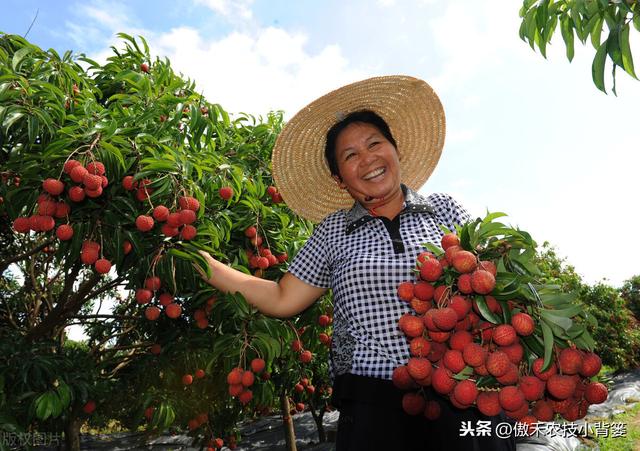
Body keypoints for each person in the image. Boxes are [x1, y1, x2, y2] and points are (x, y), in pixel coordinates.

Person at [196, 76, 516, 451]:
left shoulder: (444, 209)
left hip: (465, 391)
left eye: (374, 144)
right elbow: (283, 297)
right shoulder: (333, 231)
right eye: (350, 156)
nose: (367, 160)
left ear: (395, 149)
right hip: (373, 404)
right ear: (339, 180)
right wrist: (203, 264)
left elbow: (495, 283)